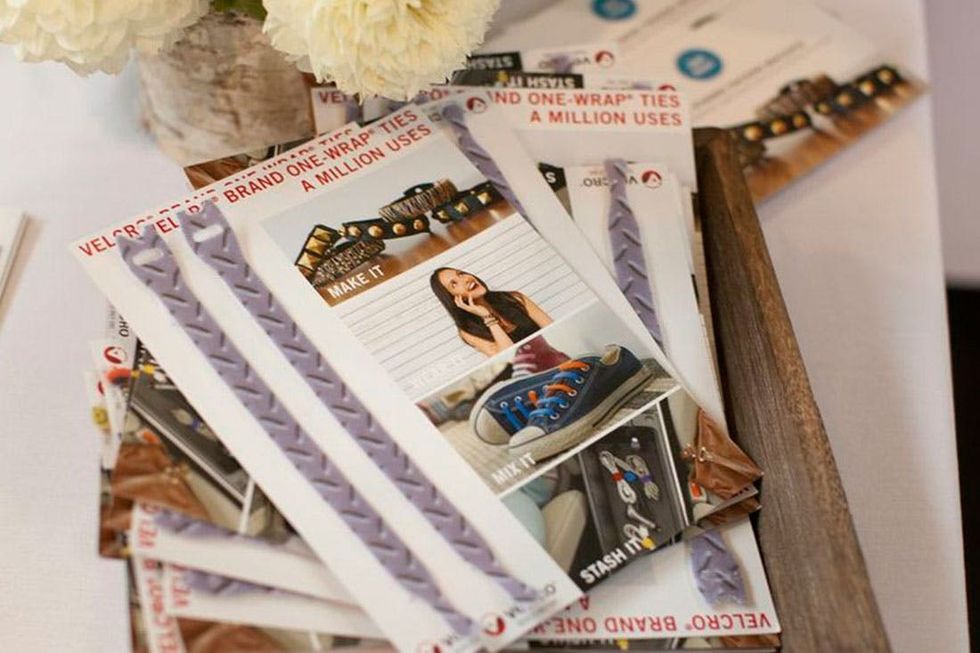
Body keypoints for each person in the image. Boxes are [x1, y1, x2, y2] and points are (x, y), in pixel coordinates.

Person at [430, 267, 553, 356]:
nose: (466, 279)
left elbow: (553, 329)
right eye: (454, 284)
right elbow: (509, 358)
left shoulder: (514, 298)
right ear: (453, 298)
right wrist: (486, 316)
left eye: (461, 274)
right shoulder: (468, 330)